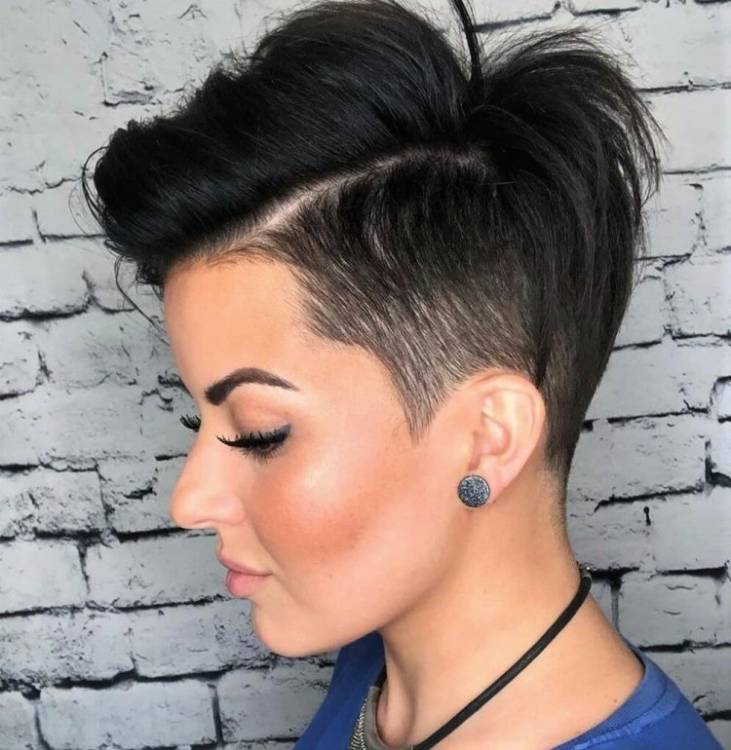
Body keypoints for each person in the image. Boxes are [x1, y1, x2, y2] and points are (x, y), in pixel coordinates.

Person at [79, 0, 724, 747]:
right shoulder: (379, 654)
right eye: (202, 420)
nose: (189, 500)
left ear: (486, 438)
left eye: (260, 434)